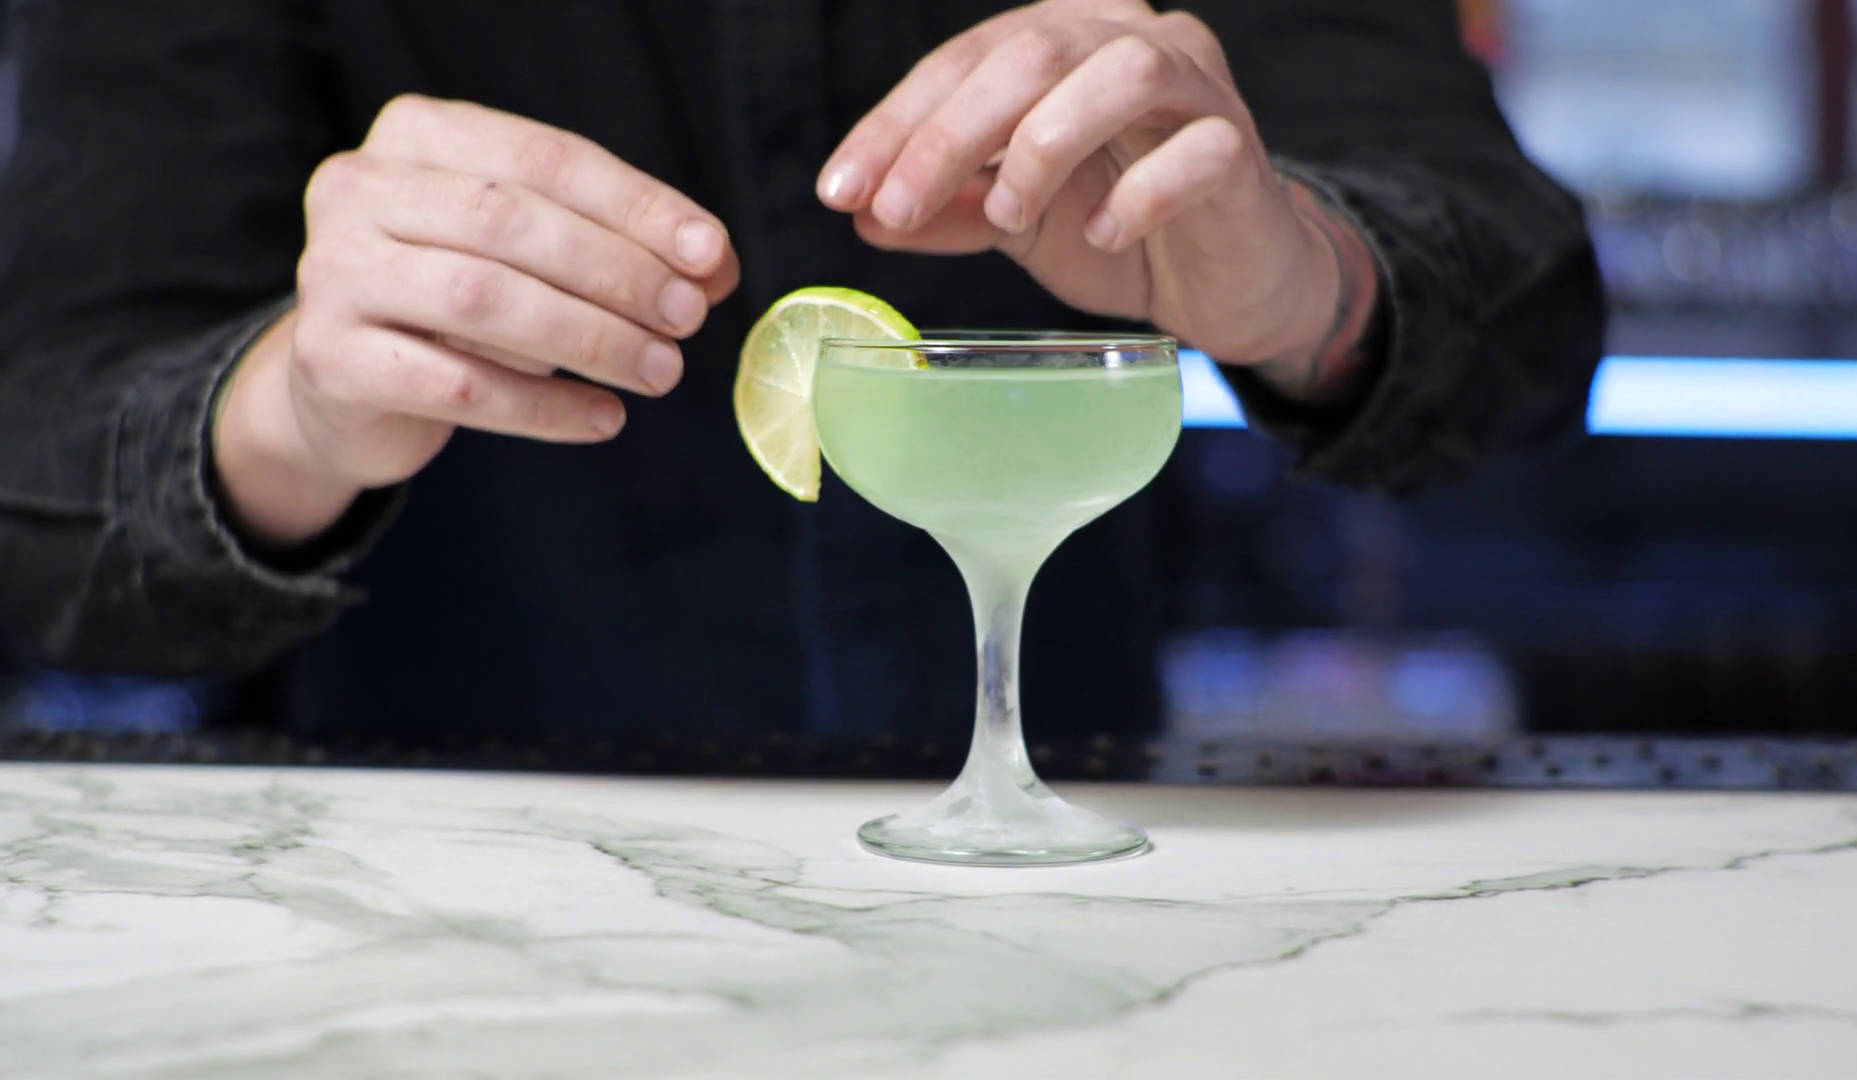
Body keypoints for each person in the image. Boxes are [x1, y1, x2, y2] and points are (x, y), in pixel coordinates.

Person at [0, 0, 1603, 743]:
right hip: (466, 903)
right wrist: (294, 409)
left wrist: (1307, 277)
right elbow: (42, 490)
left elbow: (1529, 326)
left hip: (1080, 892)